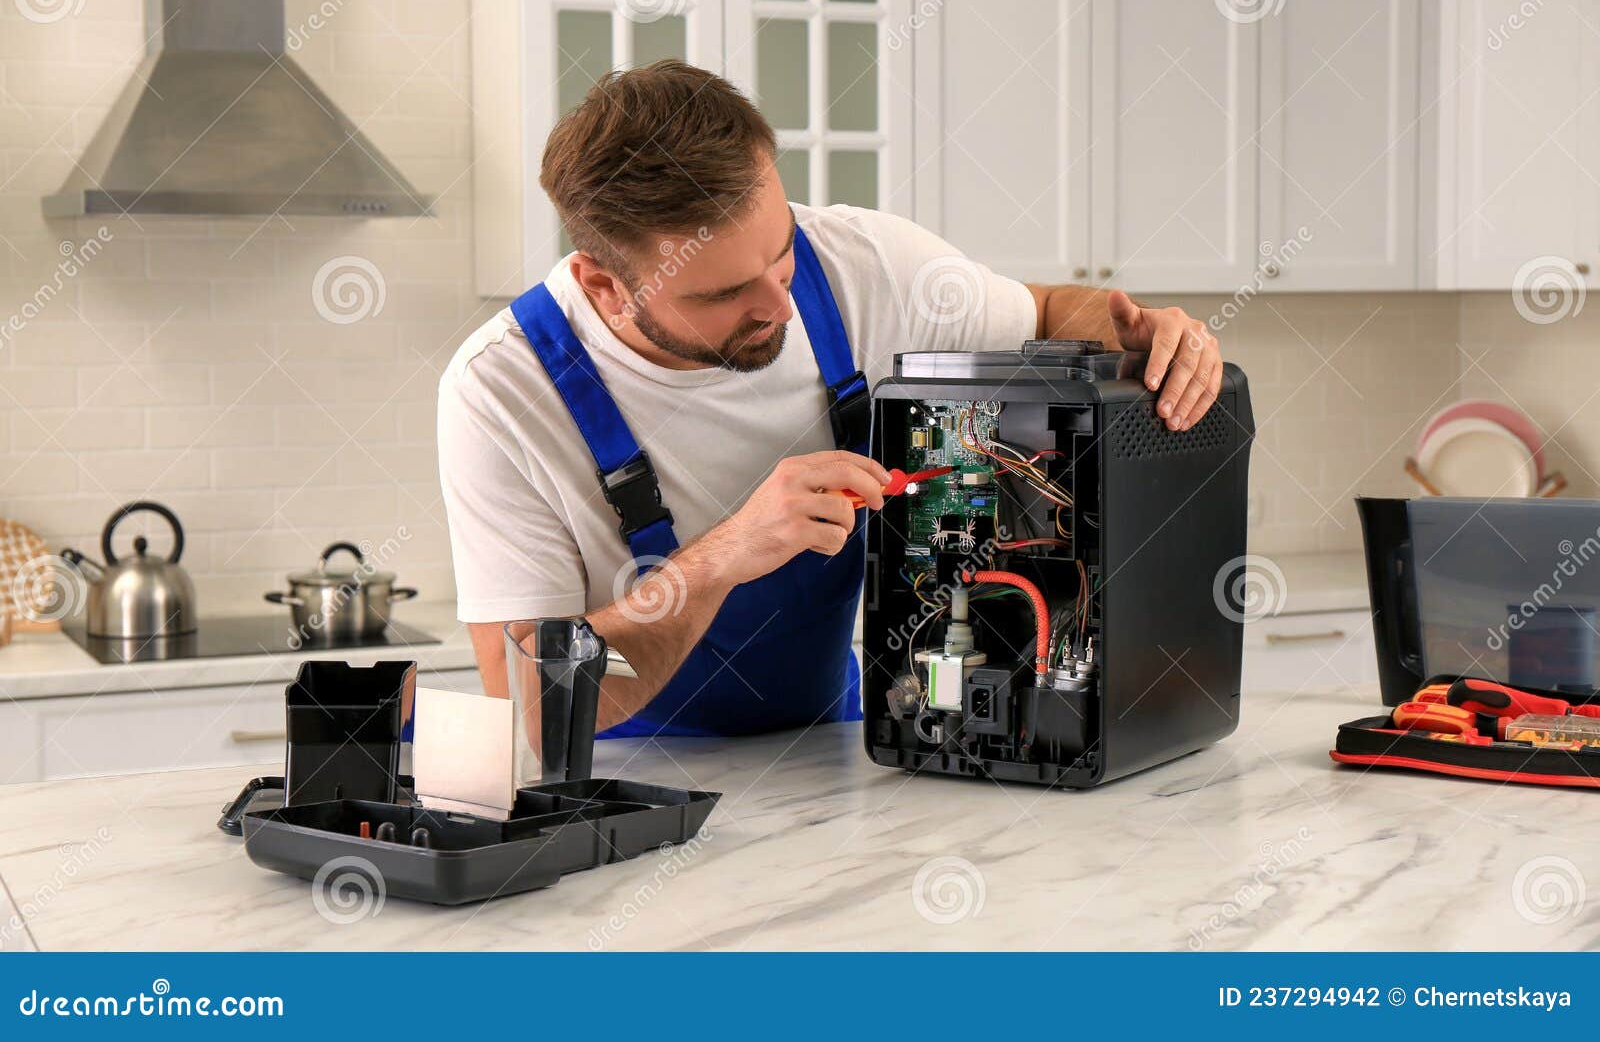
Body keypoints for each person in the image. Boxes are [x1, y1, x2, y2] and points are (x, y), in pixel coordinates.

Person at [438, 61, 1224, 738]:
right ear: (605, 286)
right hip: (624, 786)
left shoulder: (864, 264)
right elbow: (533, 706)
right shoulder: (503, 392)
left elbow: (1051, 313)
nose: (779, 307)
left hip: (828, 761)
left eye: (780, 257)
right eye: (725, 293)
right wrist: (723, 556)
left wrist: (1144, 333)